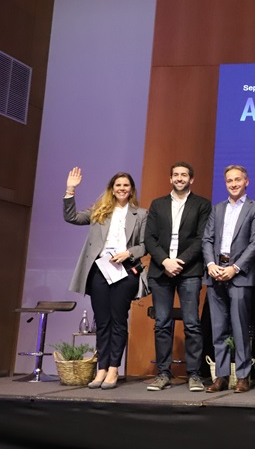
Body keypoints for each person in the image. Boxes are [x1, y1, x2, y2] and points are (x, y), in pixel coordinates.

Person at [63, 167, 147, 390]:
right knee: (102, 321)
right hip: (100, 270)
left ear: (131, 190)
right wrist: (70, 190)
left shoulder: (141, 214)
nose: (122, 188)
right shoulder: (99, 210)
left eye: (126, 185)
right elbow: (71, 217)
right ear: (112, 188)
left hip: (124, 271)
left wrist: (128, 253)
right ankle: (101, 367)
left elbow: (145, 245)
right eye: (118, 185)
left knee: (118, 320)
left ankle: (113, 369)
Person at [144, 161, 212, 392]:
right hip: (161, 270)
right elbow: (149, 238)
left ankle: (194, 374)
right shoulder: (158, 204)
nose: (179, 178)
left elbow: (201, 238)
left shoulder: (202, 204)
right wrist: (165, 261)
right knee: (162, 324)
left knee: (192, 324)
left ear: (191, 179)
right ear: (170, 178)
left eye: (184, 175)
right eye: (176, 175)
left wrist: (179, 262)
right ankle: (163, 373)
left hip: (189, 271)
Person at [202, 165, 255, 393]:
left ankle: (243, 376)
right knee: (218, 329)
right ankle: (220, 376)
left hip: (239, 276)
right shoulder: (217, 208)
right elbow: (207, 239)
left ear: (246, 182)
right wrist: (211, 264)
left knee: (239, 329)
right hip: (215, 273)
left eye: (238, 180)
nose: (233, 184)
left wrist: (235, 268)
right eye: (229, 180)